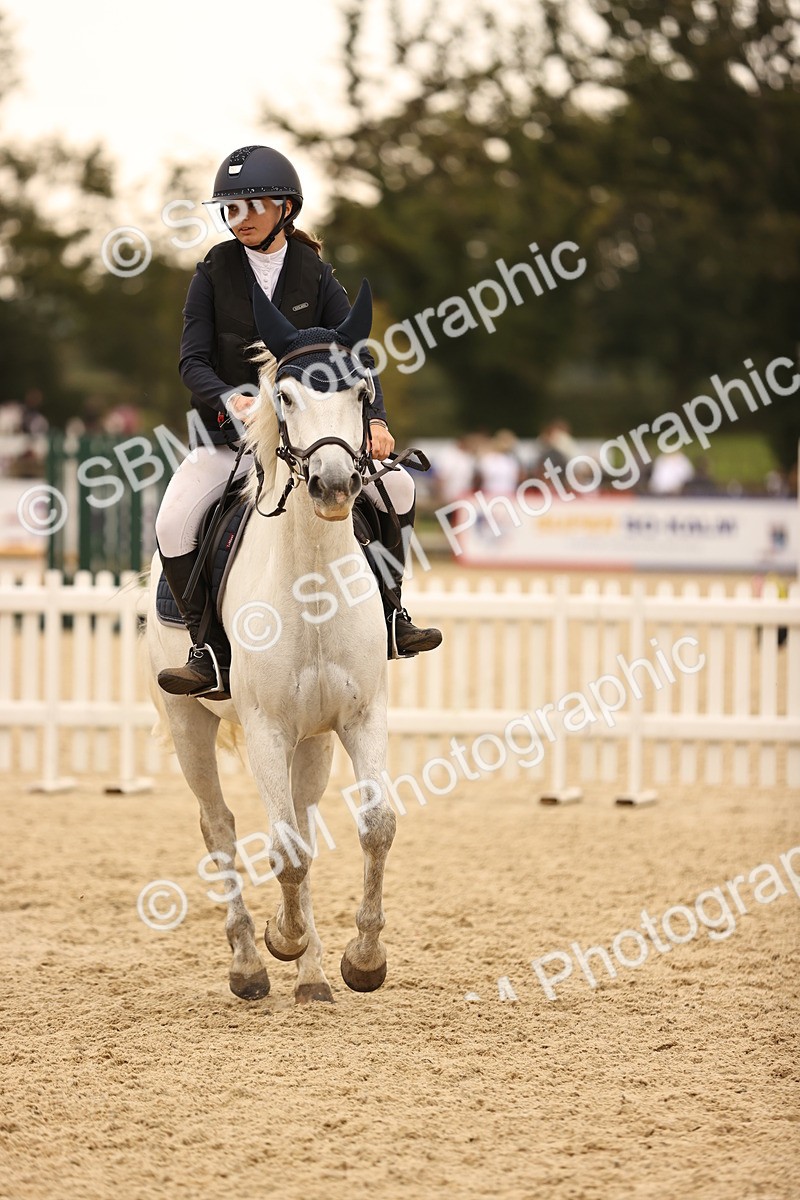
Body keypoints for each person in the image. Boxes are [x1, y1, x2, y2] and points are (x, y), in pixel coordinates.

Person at [155, 144, 441, 698]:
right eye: (230, 209)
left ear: (285, 208)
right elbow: (192, 360)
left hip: (310, 436)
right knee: (172, 522)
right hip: (227, 439)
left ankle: (391, 613)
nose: (238, 218)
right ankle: (206, 649)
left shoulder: (314, 272)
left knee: (399, 488)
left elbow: (358, 353)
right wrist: (227, 399)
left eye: (251, 206)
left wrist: (376, 420)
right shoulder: (213, 272)